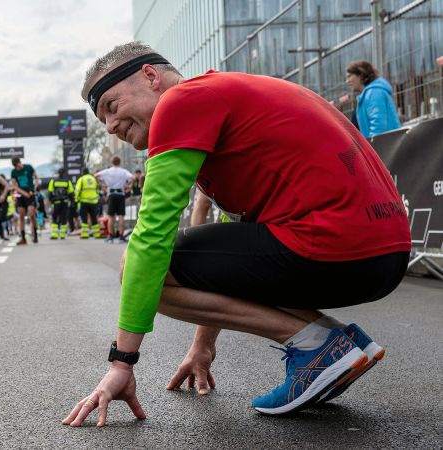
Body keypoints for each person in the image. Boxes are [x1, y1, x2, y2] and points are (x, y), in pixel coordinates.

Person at [63, 43, 411, 426]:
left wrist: (122, 363)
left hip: (336, 245)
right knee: (193, 255)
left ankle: (319, 346)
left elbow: (152, 235)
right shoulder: (222, 95)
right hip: (383, 255)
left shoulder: (182, 101)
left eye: (111, 106)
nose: (111, 126)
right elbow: (234, 250)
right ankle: (341, 342)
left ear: (150, 76)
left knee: (138, 267)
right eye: (103, 120)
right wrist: (203, 345)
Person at [345, 60, 401, 138]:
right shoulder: (367, 94)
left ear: (361, 75)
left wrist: (373, 143)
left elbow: (379, 125)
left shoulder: (374, 92)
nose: (347, 81)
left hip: (384, 143)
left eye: (349, 76)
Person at [96, 155, 133, 242]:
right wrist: (129, 186)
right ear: (119, 162)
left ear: (112, 162)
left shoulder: (108, 171)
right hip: (121, 194)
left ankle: (110, 236)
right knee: (121, 216)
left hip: (111, 194)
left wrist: (102, 185)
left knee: (111, 216)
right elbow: (133, 177)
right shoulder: (123, 171)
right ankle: (121, 236)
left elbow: (96, 175)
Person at [10, 157, 39, 245]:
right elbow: (14, 185)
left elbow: (36, 177)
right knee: (21, 215)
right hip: (21, 195)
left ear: (20, 162)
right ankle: (23, 238)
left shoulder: (28, 167)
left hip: (30, 194)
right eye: (15, 167)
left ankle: (35, 234)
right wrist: (23, 193)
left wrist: (35, 187)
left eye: (18, 166)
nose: (17, 168)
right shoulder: (13, 172)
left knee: (31, 214)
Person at [48, 167, 74, 240]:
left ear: (58, 173)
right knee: (64, 218)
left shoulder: (53, 181)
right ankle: (62, 235)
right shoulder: (67, 181)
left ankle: (54, 235)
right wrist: (72, 201)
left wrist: (51, 200)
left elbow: (50, 192)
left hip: (56, 202)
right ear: (64, 173)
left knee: (55, 218)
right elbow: (71, 193)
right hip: (65, 202)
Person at [74, 167, 100, 239]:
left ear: (83, 172)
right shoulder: (93, 179)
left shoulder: (81, 179)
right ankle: (96, 234)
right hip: (93, 201)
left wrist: (76, 199)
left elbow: (77, 190)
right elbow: (97, 189)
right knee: (94, 218)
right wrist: (97, 199)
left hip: (84, 201)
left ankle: (85, 234)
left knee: (84, 218)